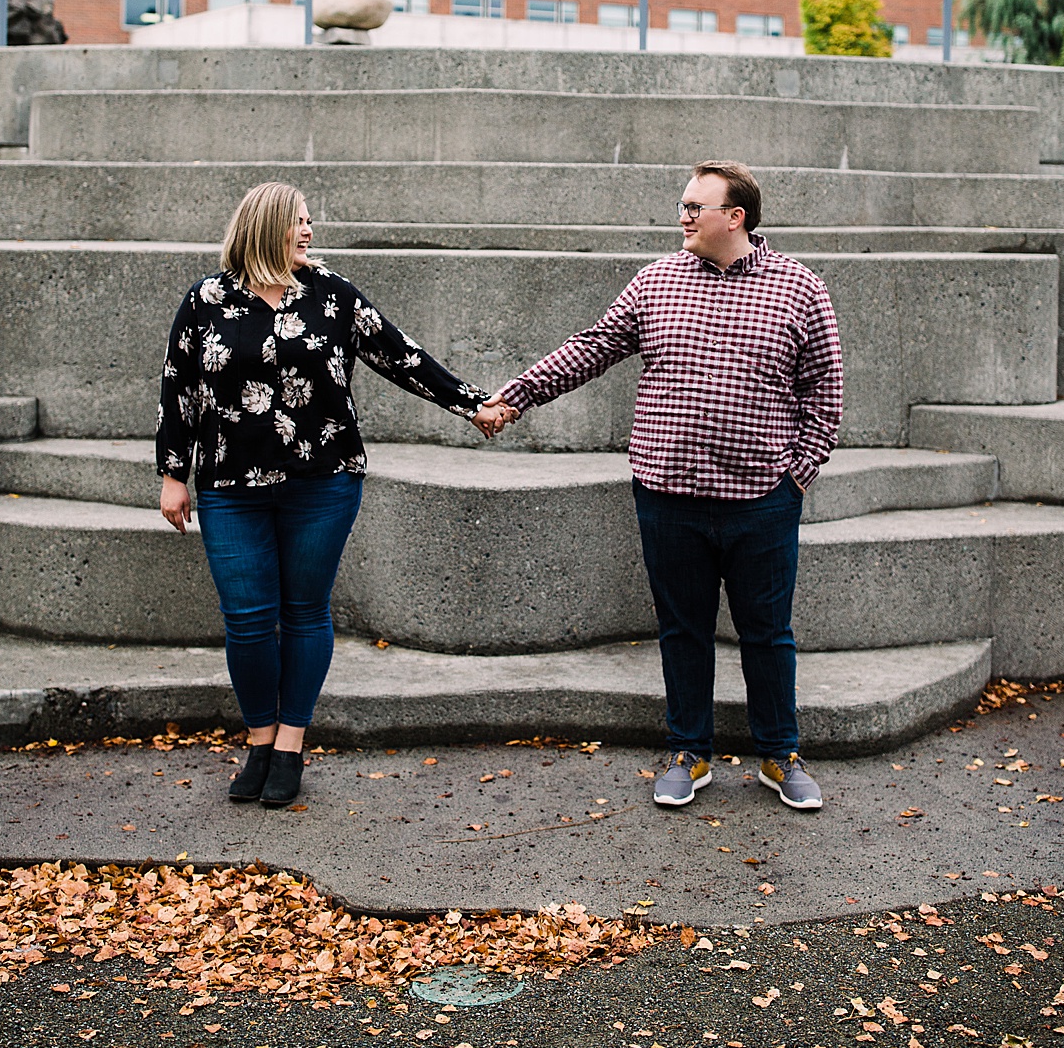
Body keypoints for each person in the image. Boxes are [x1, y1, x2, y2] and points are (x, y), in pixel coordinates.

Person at [481, 160, 843, 813]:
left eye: (695, 206)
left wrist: (797, 476)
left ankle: (779, 754)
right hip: (668, 494)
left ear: (736, 216)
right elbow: (592, 347)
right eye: (681, 204)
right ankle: (688, 751)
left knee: (767, 632)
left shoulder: (801, 289)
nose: (682, 216)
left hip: (762, 498)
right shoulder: (657, 282)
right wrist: (517, 395)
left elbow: (825, 390)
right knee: (683, 628)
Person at [157, 181, 507, 809]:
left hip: (323, 482)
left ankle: (290, 745)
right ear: (267, 227)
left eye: (311, 221)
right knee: (246, 619)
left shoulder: (331, 294)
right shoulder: (205, 299)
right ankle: (260, 740)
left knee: (305, 611)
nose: (310, 231)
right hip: (229, 487)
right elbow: (178, 387)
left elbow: (401, 356)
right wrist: (172, 474)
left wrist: (471, 404)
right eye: (299, 221)